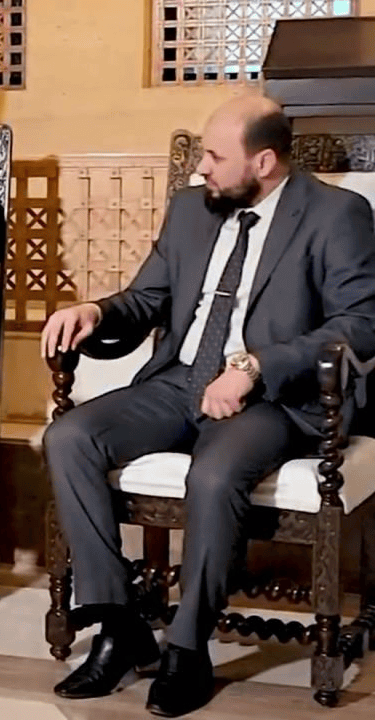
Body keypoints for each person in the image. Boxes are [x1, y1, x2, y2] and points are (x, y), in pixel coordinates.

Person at [41, 94, 375, 717]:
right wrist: (96, 311)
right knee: (69, 438)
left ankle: (188, 648)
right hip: (179, 381)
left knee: (215, 475)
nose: (201, 168)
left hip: (272, 398)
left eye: (216, 157)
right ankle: (120, 624)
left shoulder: (336, 214)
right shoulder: (192, 208)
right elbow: (148, 299)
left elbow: (359, 324)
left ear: (264, 162)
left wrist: (255, 366)